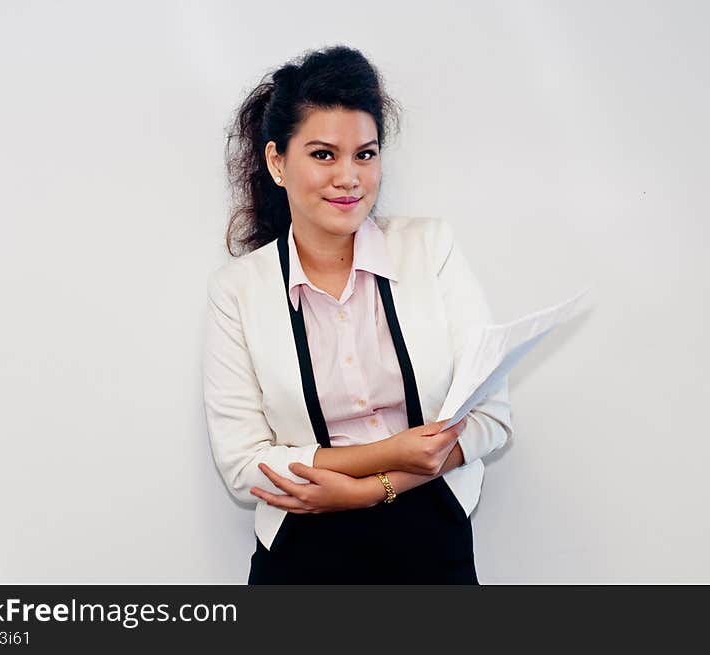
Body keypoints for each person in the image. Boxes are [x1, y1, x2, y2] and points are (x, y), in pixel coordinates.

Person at [203, 45, 513, 584]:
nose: (349, 177)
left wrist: (370, 488)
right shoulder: (239, 290)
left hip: (430, 534)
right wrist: (391, 452)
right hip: (302, 541)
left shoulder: (430, 248)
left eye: (365, 155)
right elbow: (242, 464)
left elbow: (492, 419)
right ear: (277, 161)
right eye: (324, 154)